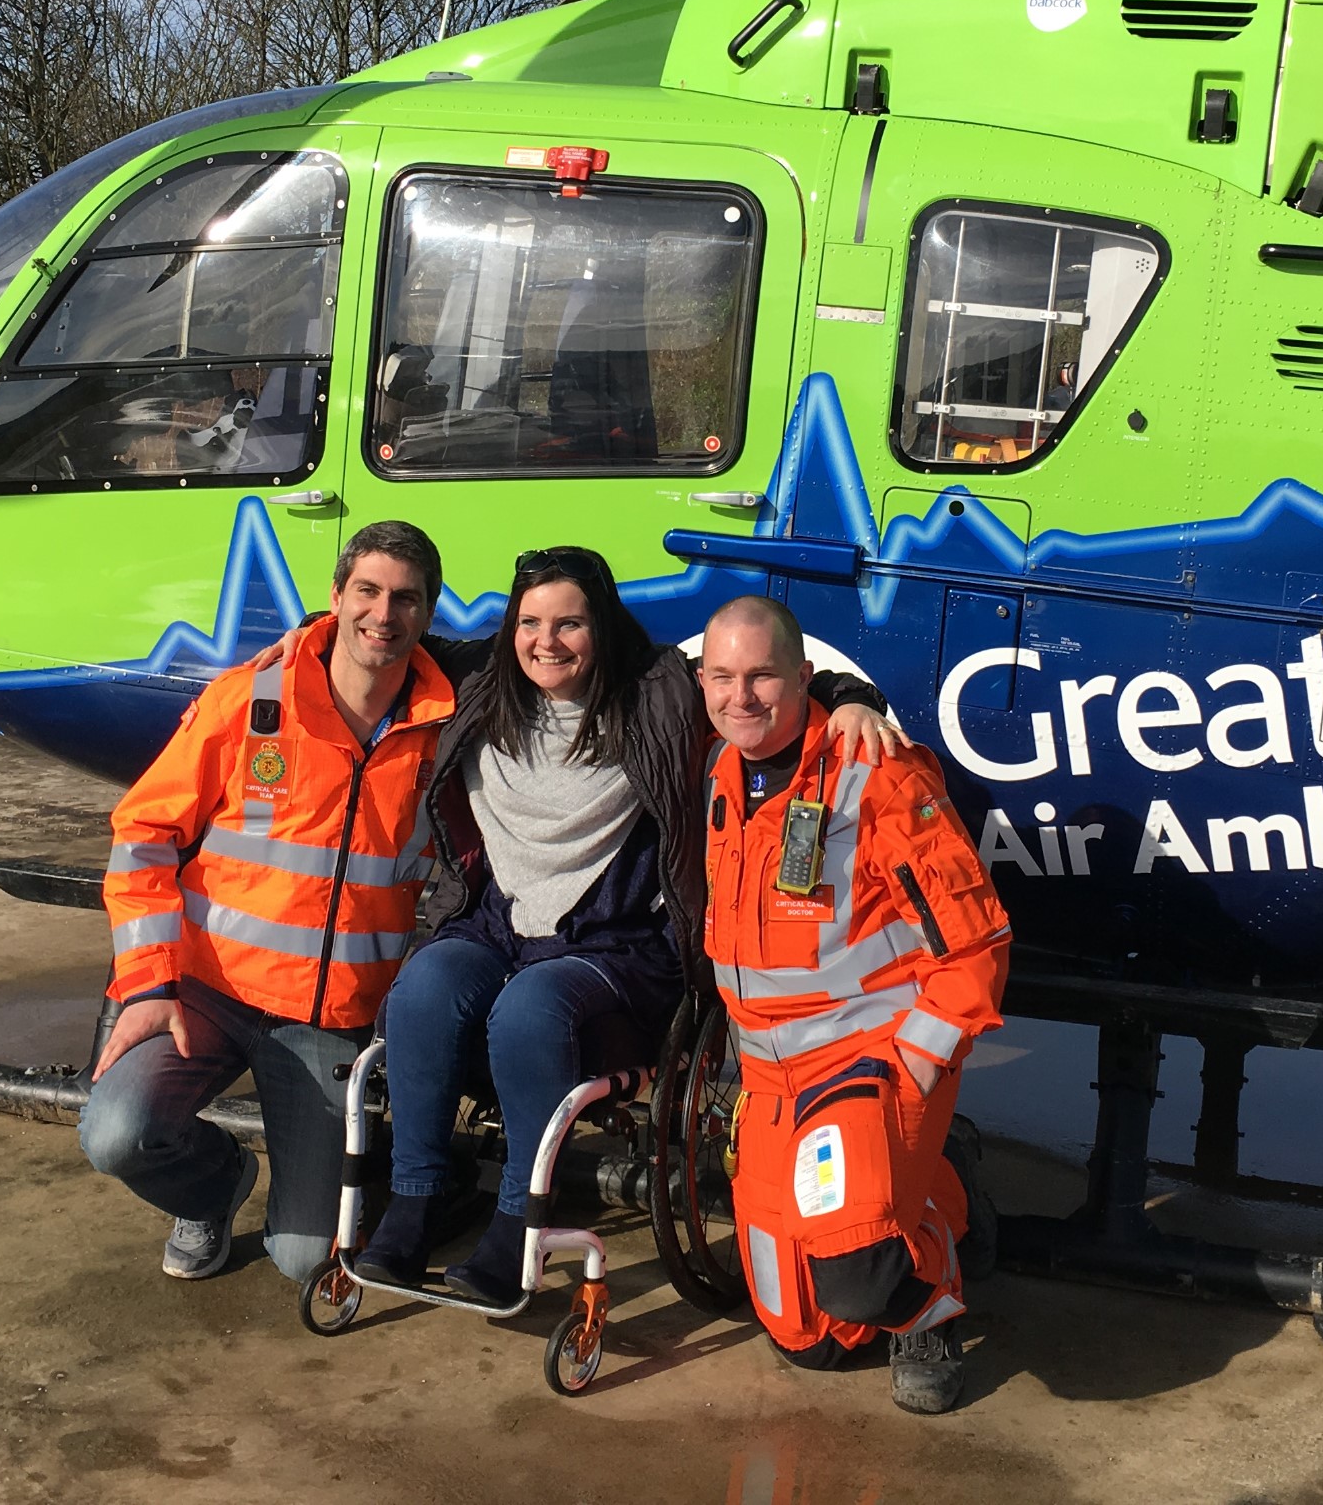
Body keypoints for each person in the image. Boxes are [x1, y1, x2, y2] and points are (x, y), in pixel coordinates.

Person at [352, 548, 904, 1306]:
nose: (548, 641)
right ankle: (416, 1196)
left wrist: (851, 697)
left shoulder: (657, 690)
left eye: (570, 623)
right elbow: (381, 639)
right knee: (422, 988)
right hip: (496, 919)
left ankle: (520, 1218)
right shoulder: (482, 680)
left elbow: (759, 673)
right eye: (532, 622)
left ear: (602, 626)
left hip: (613, 935)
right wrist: (309, 639)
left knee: (530, 1010)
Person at [80, 520, 455, 1285]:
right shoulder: (250, 699)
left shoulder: (449, 730)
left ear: (428, 614)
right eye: (368, 592)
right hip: (206, 993)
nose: (384, 615)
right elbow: (143, 833)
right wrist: (149, 982)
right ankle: (214, 1188)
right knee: (117, 1133)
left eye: (406, 600)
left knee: (303, 1261)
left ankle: (323, 1188)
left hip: (327, 1021)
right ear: (335, 598)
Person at [698, 594, 1011, 1415]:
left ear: (804, 678)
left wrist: (918, 1064)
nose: (742, 696)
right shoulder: (720, 776)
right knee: (813, 1339)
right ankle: (944, 1176)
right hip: (770, 1083)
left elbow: (975, 947)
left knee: (862, 1282)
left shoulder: (876, 773)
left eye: (763, 675)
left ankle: (933, 1302)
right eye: (722, 676)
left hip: (869, 1065)